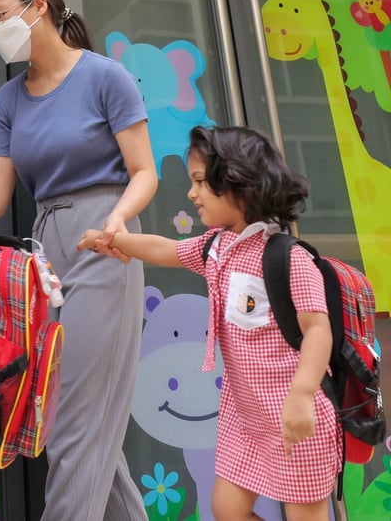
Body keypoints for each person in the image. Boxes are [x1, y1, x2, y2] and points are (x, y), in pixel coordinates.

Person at [78, 125, 341, 521]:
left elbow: (318, 329)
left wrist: (302, 394)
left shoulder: (287, 257)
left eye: (200, 182)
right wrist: (110, 239)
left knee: (306, 515)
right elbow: (163, 248)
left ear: (238, 183)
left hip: (294, 416)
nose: (191, 193)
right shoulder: (216, 248)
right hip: (245, 414)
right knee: (227, 508)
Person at [0, 0, 157, 521]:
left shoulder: (105, 77)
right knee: (80, 420)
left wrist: (118, 224)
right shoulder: (9, 99)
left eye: (1, 17)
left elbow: (144, 171)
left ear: (40, 9)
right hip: (44, 254)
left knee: (73, 422)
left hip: (105, 239)